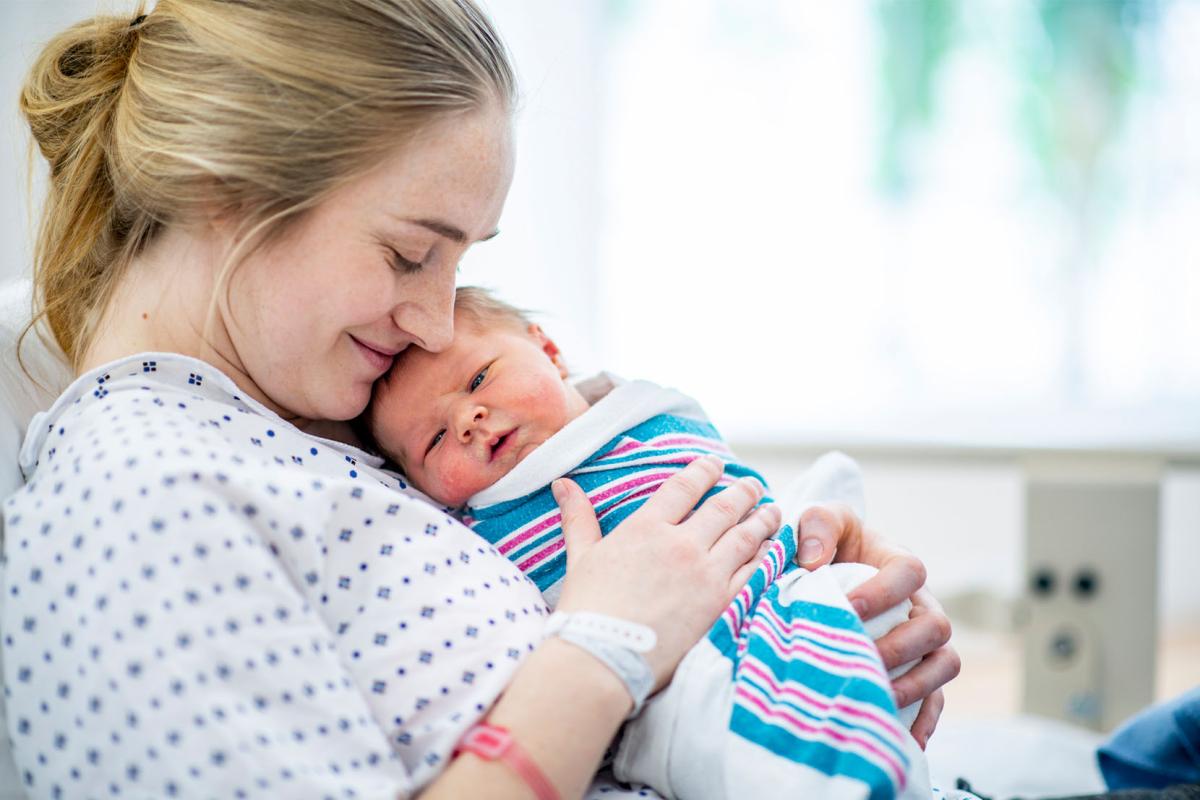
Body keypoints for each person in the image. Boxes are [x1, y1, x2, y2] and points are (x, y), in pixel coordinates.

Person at [2, 2, 958, 798]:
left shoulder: (311, 430)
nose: (431, 320)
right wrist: (606, 645)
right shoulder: (141, 496)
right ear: (227, 192)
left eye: (461, 263)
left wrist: (795, 595)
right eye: (410, 253)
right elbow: (598, 639)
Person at [364, 287, 951, 799]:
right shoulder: (474, 529)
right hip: (690, 659)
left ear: (548, 350)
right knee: (738, 729)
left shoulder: (639, 411)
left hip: (780, 576)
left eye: (477, 378)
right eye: (435, 438)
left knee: (850, 587)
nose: (468, 419)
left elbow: (732, 480)